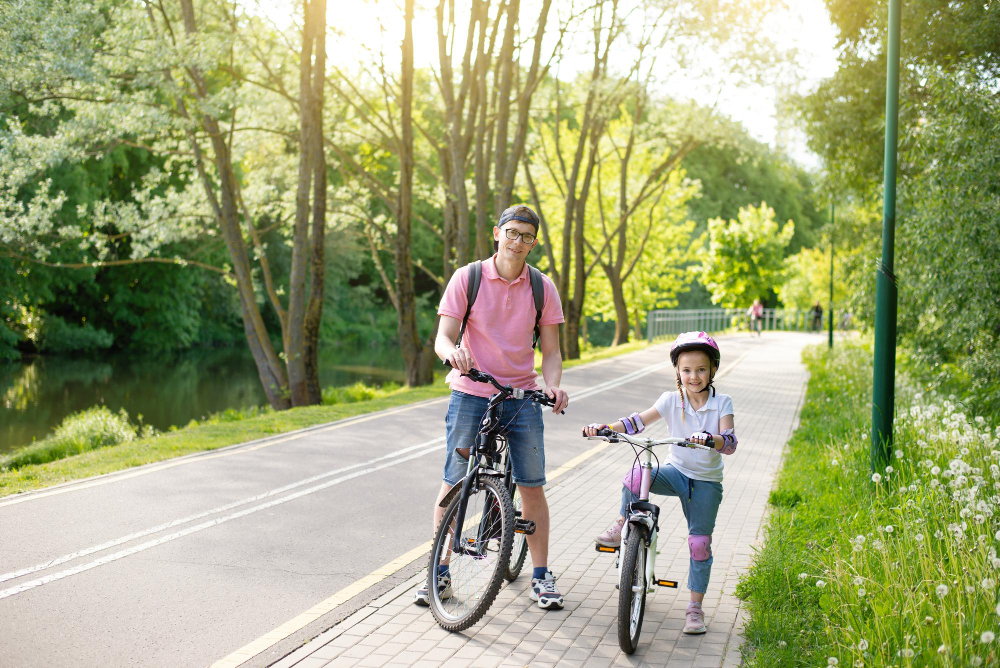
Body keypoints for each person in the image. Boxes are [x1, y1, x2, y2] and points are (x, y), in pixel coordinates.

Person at [413, 204, 570, 611]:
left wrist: (552, 387)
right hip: (471, 392)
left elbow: (551, 351)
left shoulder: (542, 287)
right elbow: (443, 338)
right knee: (453, 482)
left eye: (528, 237)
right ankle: (439, 573)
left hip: (521, 397)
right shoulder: (468, 277)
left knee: (532, 485)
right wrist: (454, 354)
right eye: (513, 233)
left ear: (534, 244)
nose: (519, 242)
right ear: (497, 233)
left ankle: (540, 575)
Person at [581, 331, 737, 635]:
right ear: (677, 371)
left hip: (705, 483)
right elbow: (635, 422)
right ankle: (623, 522)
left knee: (699, 545)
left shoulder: (722, 403)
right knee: (637, 471)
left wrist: (710, 439)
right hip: (675, 472)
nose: (694, 376)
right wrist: (605, 428)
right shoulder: (669, 400)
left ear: (712, 370)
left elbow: (729, 444)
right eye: (687, 370)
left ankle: (694, 609)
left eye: (701, 369)